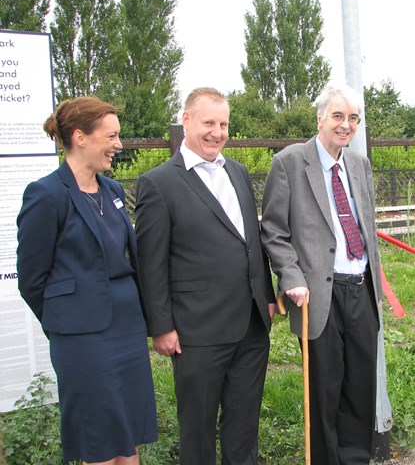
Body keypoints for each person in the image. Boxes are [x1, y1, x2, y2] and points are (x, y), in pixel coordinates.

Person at [134, 87, 276, 465]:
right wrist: (161, 325)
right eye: (208, 122)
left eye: (224, 123)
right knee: (197, 430)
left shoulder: (239, 173)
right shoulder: (158, 183)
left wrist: (266, 295)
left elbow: (251, 240)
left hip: (251, 325)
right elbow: (151, 263)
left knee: (244, 425)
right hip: (197, 330)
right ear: (186, 121)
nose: (217, 132)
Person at [16, 96, 158, 465]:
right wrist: (64, 324)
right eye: (111, 136)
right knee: (99, 440)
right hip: (82, 338)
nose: (118, 144)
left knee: (128, 436)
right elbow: (31, 278)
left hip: (126, 329)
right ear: (80, 137)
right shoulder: (46, 195)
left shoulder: (111, 191)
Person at [261, 83, 384, 465]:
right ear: (320, 118)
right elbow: (274, 230)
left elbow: (366, 224)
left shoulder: (359, 164)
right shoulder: (289, 162)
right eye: (338, 116)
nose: (345, 125)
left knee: (360, 388)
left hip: (361, 290)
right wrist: (290, 276)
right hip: (317, 295)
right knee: (325, 391)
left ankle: (356, 460)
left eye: (352, 119)